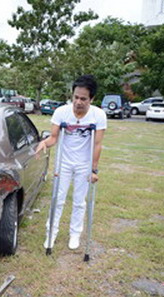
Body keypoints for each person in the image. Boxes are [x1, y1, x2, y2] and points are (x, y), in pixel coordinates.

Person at [35, 75, 107, 250]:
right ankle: (51, 232)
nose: (78, 102)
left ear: (92, 99)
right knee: (57, 199)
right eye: (76, 97)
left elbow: (97, 145)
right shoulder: (61, 112)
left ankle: (75, 234)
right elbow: (54, 138)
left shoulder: (98, 115)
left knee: (79, 201)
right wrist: (44, 143)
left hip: (84, 164)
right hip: (64, 163)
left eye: (83, 99)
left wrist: (94, 170)